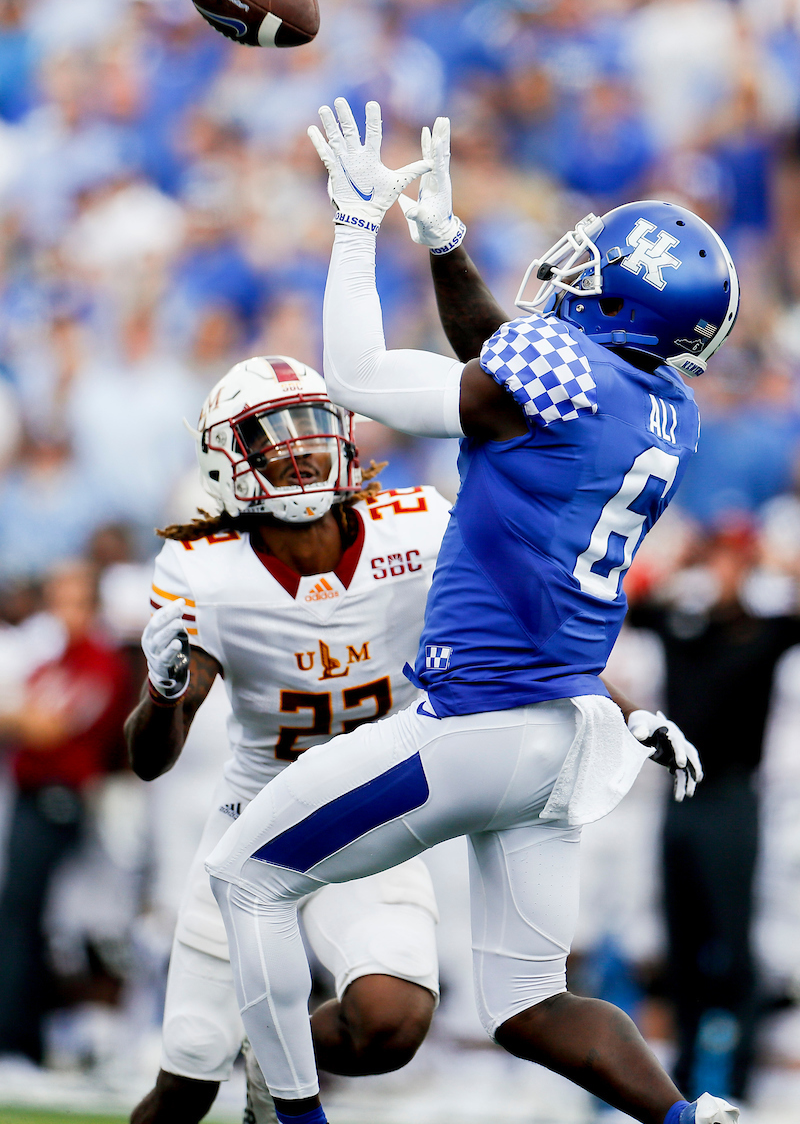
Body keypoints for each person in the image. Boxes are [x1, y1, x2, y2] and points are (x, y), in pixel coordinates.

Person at [204, 99, 744, 1124]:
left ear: (620, 305)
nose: (567, 274)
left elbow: (359, 377)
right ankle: (686, 1118)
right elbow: (506, 364)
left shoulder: (557, 376)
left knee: (246, 878)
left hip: (471, 725)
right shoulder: (666, 408)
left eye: (590, 271)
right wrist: (446, 244)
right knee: (530, 1004)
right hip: (561, 736)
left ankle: (293, 1121)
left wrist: (358, 224)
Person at [126, 354, 452, 1124]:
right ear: (225, 461)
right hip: (255, 824)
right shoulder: (205, 568)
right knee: (187, 1080)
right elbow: (150, 760)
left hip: (370, 816)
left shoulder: (420, 526)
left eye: (310, 424)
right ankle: (250, 1057)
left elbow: (523, 629)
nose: (299, 447)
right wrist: (163, 693)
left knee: (392, 1024)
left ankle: (272, 1062)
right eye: (271, 434)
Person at [628, 521, 800, 1102]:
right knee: (681, 945)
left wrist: (776, 562)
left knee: (733, 941)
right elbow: (632, 606)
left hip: (732, 800)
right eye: (715, 561)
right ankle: (680, 1083)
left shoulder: (764, 632)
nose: (720, 573)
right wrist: (682, 560)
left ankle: (742, 1084)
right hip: (680, 798)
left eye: (731, 562)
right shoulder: (684, 629)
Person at [0, 560, 132, 1064]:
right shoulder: (54, 661)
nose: (63, 611)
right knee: (24, 915)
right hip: (30, 795)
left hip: (61, 797)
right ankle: (24, 1032)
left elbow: (48, 728)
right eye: (57, 600)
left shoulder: (99, 663)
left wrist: (17, 716)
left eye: (73, 600)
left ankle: (18, 1036)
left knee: (30, 916)